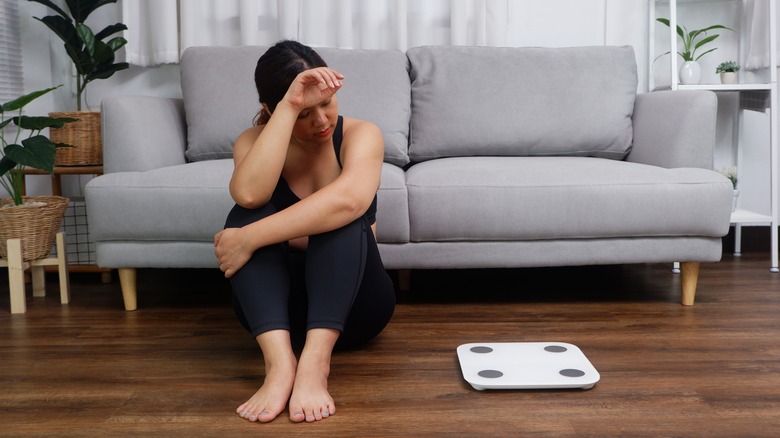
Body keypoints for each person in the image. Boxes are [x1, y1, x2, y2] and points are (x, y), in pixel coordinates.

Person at [214, 40, 396, 424]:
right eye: (304, 113)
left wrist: (249, 238)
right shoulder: (252, 141)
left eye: (327, 103)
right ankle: (279, 367)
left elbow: (349, 202)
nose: (321, 121)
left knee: (339, 212)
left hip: (353, 308)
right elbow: (248, 194)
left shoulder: (362, 135)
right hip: (275, 316)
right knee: (246, 211)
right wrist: (287, 107)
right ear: (271, 109)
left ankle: (314, 367)